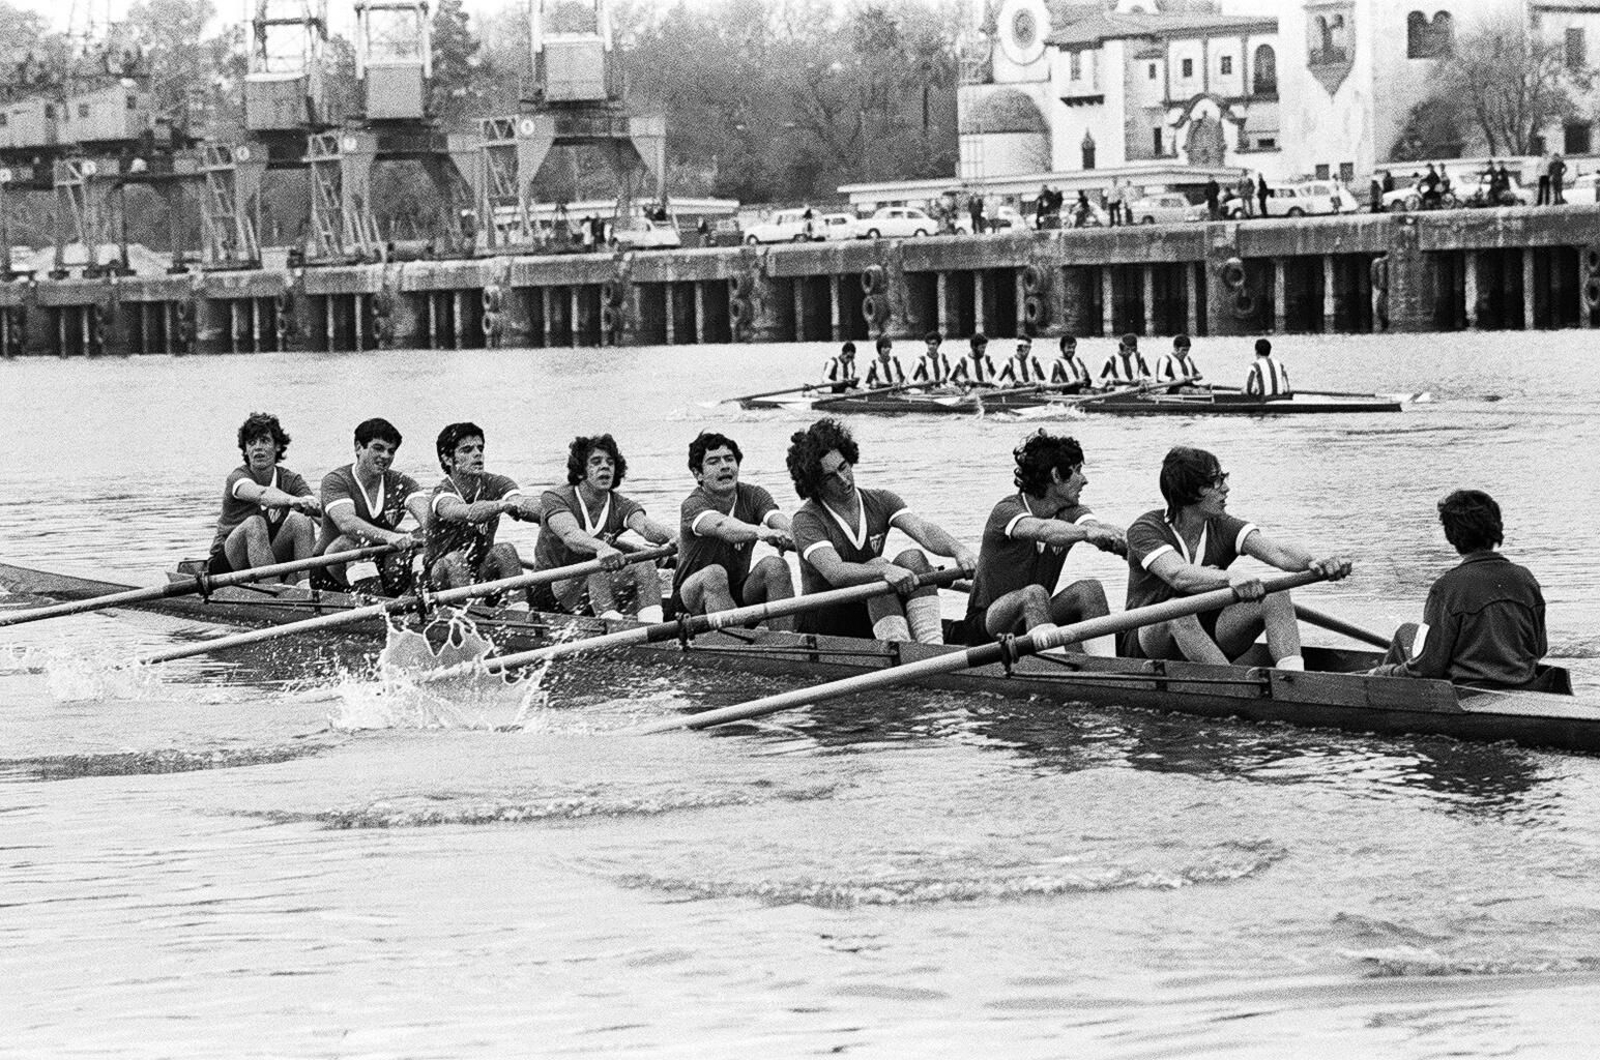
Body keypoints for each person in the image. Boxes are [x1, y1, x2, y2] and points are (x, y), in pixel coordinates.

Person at [1122, 446, 1351, 666]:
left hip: (1209, 633)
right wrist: (1230, 577)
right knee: (1177, 612)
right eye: (1216, 481)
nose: (1226, 488)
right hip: (1148, 643)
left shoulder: (1222, 525)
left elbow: (1278, 552)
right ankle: (1234, 684)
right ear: (1189, 490)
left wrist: (1314, 562)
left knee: (1276, 595)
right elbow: (1178, 575)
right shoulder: (1146, 529)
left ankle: (1293, 678)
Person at [786, 418, 977, 643]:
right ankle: (903, 650)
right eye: (830, 477)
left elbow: (923, 530)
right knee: (877, 566)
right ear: (815, 484)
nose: (843, 480)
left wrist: (959, 551)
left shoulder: (881, 500)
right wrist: (883, 570)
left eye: (843, 467)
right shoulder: (807, 520)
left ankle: (931, 645)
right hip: (826, 621)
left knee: (913, 558)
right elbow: (835, 572)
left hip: (872, 612)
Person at [961, 431, 1125, 653]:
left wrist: (1126, 544)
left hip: (1039, 612)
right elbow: (1043, 530)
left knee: (1090, 590)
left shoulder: (1071, 512)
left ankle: (1108, 666)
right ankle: (1053, 669)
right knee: (1034, 594)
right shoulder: (1007, 511)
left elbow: (1097, 528)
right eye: (1077, 471)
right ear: (1056, 475)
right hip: (986, 625)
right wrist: (1087, 533)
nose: (1084, 480)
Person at [1368, 490, 1546, 687]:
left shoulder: (1446, 588)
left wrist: (1384, 672)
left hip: (1466, 691)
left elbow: (1427, 668)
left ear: (1451, 536)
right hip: (1522, 684)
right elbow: (1540, 649)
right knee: (1407, 632)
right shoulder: (1525, 579)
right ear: (1496, 528)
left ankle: (1380, 697)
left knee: (1402, 640)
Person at [533, 434, 677, 621]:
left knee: (645, 564)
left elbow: (646, 527)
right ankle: (612, 624)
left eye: (610, 462)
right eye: (596, 462)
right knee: (597, 564)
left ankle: (652, 625)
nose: (605, 467)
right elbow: (570, 534)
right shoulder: (555, 498)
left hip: (591, 586)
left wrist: (675, 536)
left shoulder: (621, 505)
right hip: (549, 588)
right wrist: (602, 547)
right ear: (581, 471)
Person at [670, 431, 796, 628]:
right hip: (688, 601)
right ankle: (736, 642)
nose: (725, 466)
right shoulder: (693, 505)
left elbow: (779, 521)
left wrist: (789, 536)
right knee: (714, 574)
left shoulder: (754, 495)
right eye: (713, 462)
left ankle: (786, 641)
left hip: (737, 593)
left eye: (729, 459)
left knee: (775, 566)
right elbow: (721, 526)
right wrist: (760, 532)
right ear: (698, 474)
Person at [424, 422, 541, 602]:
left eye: (480, 448)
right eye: (467, 450)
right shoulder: (442, 494)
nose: (477, 454)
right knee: (456, 559)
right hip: (439, 578)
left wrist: (552, 513)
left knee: (505, 550)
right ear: (447, 459)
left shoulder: (498, 483)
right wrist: (500, 505)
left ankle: (519, 610)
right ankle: (464, 614)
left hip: (480, 572)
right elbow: (467, 513)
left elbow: (522, 503)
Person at [313, 417, 430, 594]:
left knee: (423, 536)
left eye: (391, 451)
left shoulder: (403, 483)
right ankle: (376, 605)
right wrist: (389, 536)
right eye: (378, 448)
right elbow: (347, 523)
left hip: (378, 563)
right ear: (358, 447)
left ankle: (420, 599)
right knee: (352, 541)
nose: (386, 456)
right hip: (330, 571)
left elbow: (428, 519)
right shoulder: (336, 481)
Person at [207, 412, 320, 580]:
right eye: (252, 443)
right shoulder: (238, 478)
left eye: (265, 441)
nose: (258, 448)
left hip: (265, 557)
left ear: (277, 446)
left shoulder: (291, 480)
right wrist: (292, 500)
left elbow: (321, 514)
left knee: (301, 521)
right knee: (255, 523)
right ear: (246, 450)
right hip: (227, 564)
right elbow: (262, 495)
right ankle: (275, 591)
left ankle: (308, 588)